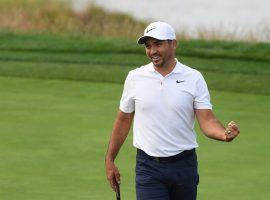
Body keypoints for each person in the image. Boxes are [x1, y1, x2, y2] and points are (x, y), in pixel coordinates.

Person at [105, 21, 240, 200]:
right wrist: (110, 160)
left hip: (184, 166)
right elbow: (123, 120)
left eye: (158, 44)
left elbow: (207, 121)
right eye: (148, 46)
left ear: (173, 44)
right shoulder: (135, 78)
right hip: (148, 167)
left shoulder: (193, 78)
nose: (152, 51)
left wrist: (224, 134)